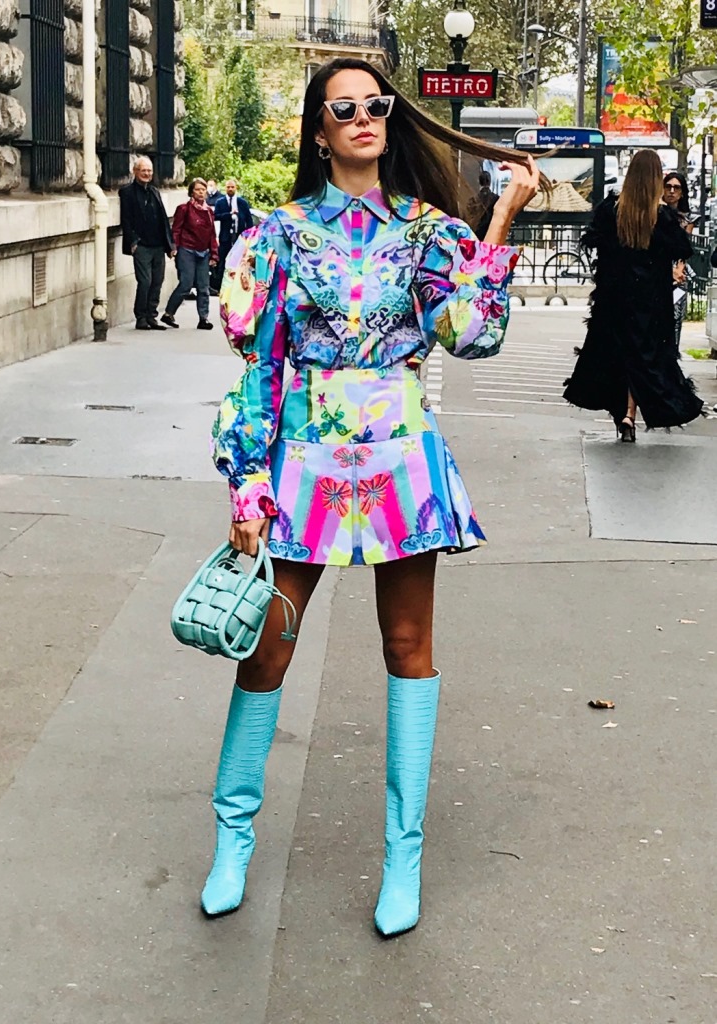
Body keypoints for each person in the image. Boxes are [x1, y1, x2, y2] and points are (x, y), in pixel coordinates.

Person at [203, 57, 540, 937]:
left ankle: (403, 859)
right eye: (343, 108)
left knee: (408, 646)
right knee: (267, 647)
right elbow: (260, 366)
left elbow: (473, 334)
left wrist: (502, 216)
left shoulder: (429, 231)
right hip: (304, 460)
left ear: (390, 119)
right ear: (318, 131)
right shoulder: (278, 235)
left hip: (401, 458)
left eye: (376, 105)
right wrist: (247, 480)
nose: (363, 118)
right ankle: (232, 841)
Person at [564, 151, 704, 440]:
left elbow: (593, 239)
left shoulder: (612, 209)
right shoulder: (661, 215)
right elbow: (683, 249)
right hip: (650, 300)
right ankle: (629, 413)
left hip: (614, 297)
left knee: (618, 354)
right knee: (644, 356)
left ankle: (622, 414)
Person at [119, 156, 175, 330]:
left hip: (158, 245)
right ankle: (141, 316)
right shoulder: (127, 192)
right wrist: (133, 241)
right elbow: (126, 219)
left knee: (158, 281)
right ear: (135, 172)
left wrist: (170, 245)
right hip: (141, 245)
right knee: (145, 282)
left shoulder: (154, 191)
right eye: (143, 170)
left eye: (149, 171)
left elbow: (163, 219)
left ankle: (151, 316)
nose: (147, 174)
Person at [161, 178, 219, 330]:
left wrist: (214, 254)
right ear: (192, 192)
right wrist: (173, 247)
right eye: (197, 189)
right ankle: (169, 313)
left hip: (203, 251)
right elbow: (176, 229)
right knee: (186, 284)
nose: (201, 192)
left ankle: (203, 318)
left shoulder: (209, 211)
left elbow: (212, 234)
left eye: (203, 190)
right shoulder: (184, 209)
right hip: (187, 249)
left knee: (203, 286)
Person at [662, 172, 694, 352]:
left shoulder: (686, 220)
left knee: (675, 321)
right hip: (658, 272)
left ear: (682, 192)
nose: (672, 191)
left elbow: (684, 250)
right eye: (668, 186)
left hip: (678, 276)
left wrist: (678, 270)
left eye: (676, 187)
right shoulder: (656, 213)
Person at [210, 179, 254, 295]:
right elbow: (215, 216)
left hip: (240, 237)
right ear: (225, 188)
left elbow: (249, 220)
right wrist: (229, 215)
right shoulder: (220, 202)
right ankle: (220, 288)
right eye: (228, 187)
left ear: (236, 188)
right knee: (223, 262)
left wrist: (250, 236)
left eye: (232, 187)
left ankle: (239, 288)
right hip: (225, 237)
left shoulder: (242, 203)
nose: (230, 189)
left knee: (240, 262)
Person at [474, 169, 501, 240]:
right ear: (490, 182)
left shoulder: (473, 200)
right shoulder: (496, 198)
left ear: (479, 181)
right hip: (491, 232)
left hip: (476, 233)